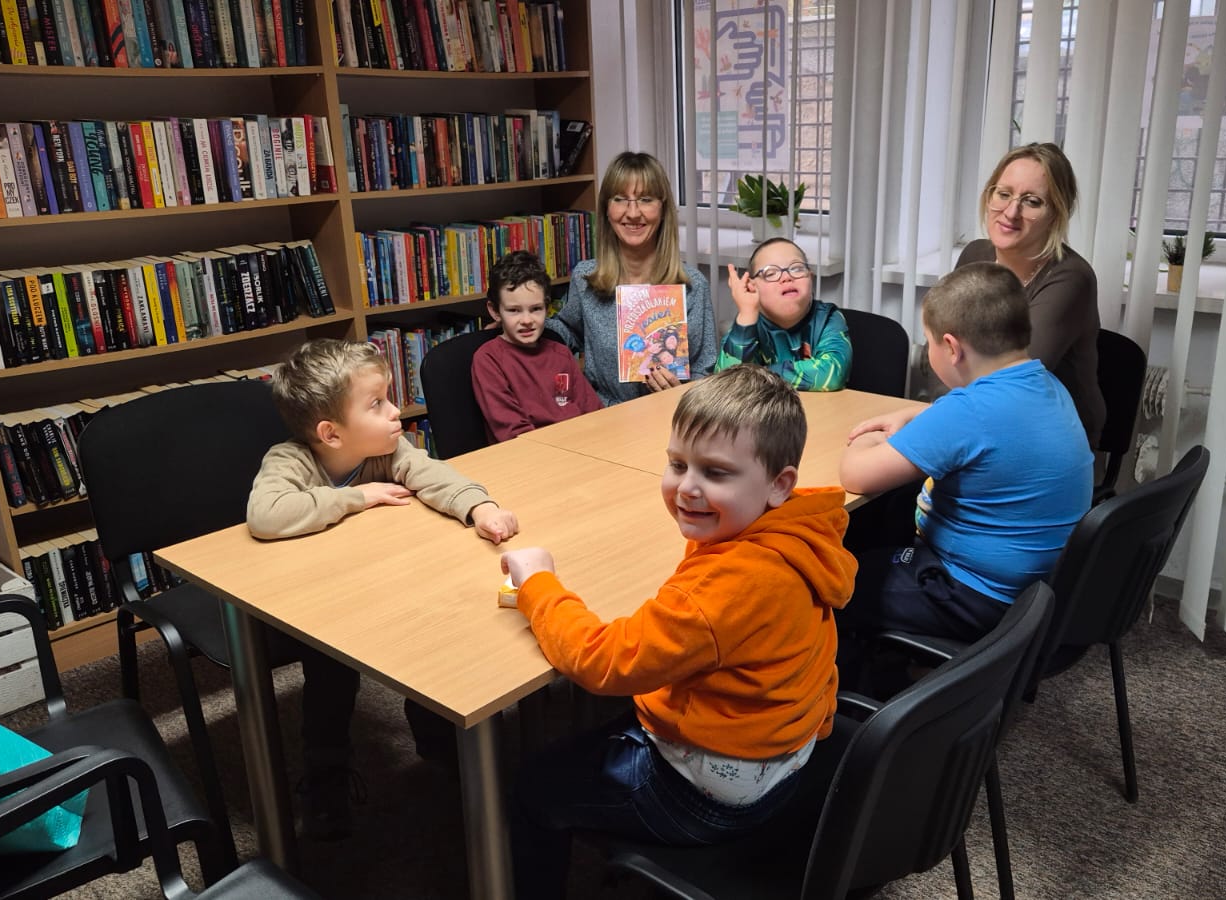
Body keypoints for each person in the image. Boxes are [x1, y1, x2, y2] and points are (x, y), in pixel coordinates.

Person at [500, 365, 857, 899]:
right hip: (782, 756)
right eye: (677, 464)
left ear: (779, 485)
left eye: (716, 473)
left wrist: (537, 584)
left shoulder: (730, 584)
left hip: (708, 798)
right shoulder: (800, 533)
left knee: (533, 785)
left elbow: (602, 661)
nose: (687, 488)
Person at [246, 338, 521, 840]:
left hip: (383, 585)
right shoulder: (290, 460)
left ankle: (440, 745)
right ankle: (326, 776)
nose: (396, 412)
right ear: (331, 433)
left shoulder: (390, 448)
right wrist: (357, 496)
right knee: (330, 678)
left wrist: (480, 508)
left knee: (431, 644)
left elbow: (434, 476)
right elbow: (266, 515)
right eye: (377, 404)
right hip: (319, 605)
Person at [838, 264, 1090, 670]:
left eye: (929, 342)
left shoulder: (969, 412)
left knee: (830, 579)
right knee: (879, 534)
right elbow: (978, 424)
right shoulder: (1047, 386)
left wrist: (866, 437)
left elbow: (856, 475)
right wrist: (915, 418)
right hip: (1032, 592)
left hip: (973, 595)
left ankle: (856, 686)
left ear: (952, 348)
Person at [955, 142, 1105, 447]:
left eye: (1032, 202)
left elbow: (1013, 383)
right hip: (975, 419)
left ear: (1056, 214)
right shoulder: (974, 255)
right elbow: (939, 349)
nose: (1011, 212)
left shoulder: (1071, 278)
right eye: (1003, 194)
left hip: (1051, 442)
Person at [545, 151, 717, 406]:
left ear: (663, 209)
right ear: (606, 209)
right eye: (620, 199)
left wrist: (681, 393)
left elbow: (706, 371)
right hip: (602, 415)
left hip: (672, 415)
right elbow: (567, 331)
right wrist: (520, 321)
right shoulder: (586, 279)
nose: (633, 213)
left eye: (645, 199)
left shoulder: (692, 285)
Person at [472, 250, 603, 442]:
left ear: (547, 308)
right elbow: (514, 434)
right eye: (514, 310)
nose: (527, 320)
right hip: (532, 452)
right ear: (495, 311)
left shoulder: (561, 353)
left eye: (536, 309)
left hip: (580, 445)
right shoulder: (489, 360)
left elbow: (593, 413)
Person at [717, 237, 852, 391]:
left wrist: (755, 375)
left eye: (797, 269)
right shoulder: (747, 322)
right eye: (771, 273)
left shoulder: (828, 318)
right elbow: (727, 381)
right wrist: (747, 313)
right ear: (752, 287)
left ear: (810, 277)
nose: (787, 277)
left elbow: (832, 374)